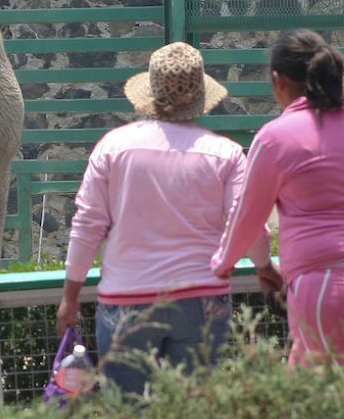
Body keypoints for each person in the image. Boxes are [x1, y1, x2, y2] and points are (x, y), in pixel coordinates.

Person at [56, 42, 273, 395]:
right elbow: (245, 221)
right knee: (194, 407)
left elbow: (87, 225)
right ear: (200, 95)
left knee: (127, 410)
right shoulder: (226, 153)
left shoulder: (113, 147)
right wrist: (264, 267)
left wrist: (70, 296)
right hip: (202, 299)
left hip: (126, 301)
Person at [213, 29, 344, 367]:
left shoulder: (275, 137)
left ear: (279, 81)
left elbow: (247, 216)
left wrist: (224, 265)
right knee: (325, 384)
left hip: (324, 288)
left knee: (327, 396)